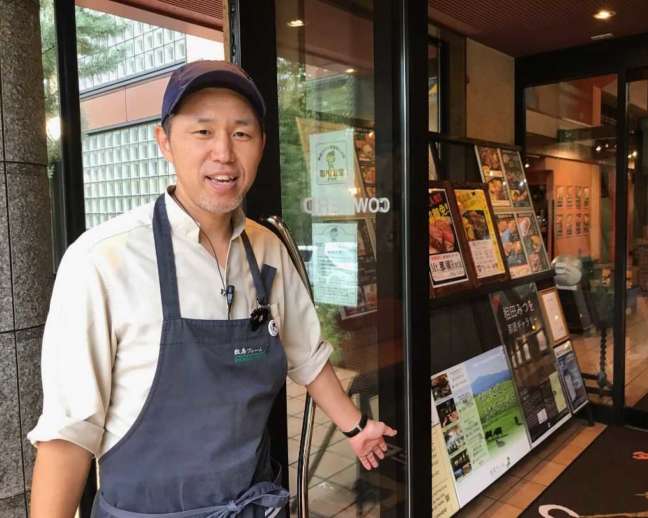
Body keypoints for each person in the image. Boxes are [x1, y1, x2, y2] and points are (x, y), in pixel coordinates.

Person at [29, 61, 396, 518]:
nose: (223, 152)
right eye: (202, 132)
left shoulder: (266, 249)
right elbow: (67, 436)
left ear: (260, 146)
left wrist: (356, 426)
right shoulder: (103, 260)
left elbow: (307, 354)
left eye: (241, 133)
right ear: (164, 141)